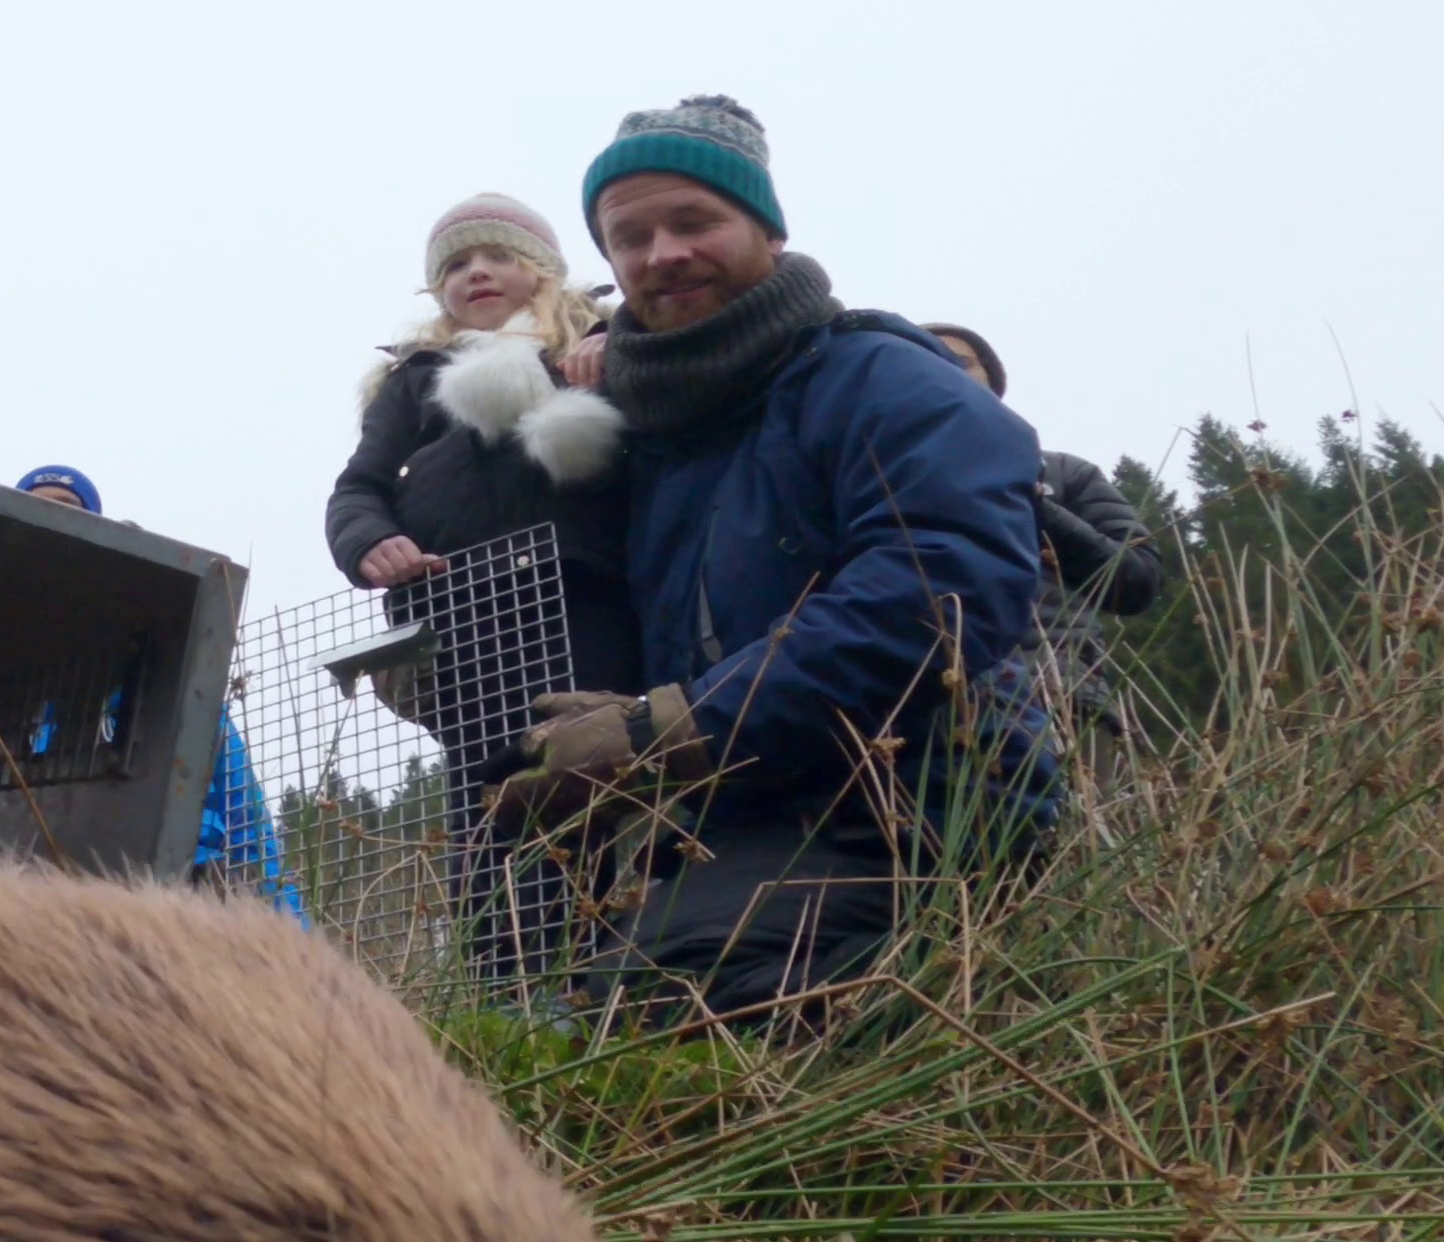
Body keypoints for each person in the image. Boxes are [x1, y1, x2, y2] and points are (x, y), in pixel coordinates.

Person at [485, 95, 1052, 1023]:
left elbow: (944, 581)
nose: (663, 252)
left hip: (919, 819)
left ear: (770, 233)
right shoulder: (661, 441)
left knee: (658, 1016)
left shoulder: (878, 376)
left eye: (696, 221)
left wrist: (671, 730)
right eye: (630, 237)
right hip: (747, 827)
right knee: (563, 1018)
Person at [321, 193, 639, 722]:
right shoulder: (410, 382)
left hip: (584, 603)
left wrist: (613, 347)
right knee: (487, 793)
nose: (477, 273)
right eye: (456, 265)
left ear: (542, 270)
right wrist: (369, 541)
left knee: (598, 770)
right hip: (454, 627)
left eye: (501, 256)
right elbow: (359, 487)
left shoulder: (602, 345)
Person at [0, 466, 308, 920]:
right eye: (35, 507)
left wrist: (290, 930)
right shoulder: (5, 699)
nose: (51, 519)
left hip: (180, 888)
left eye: (66, 508)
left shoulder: (172, 691)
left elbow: (246, 821)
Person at [920, 322, 1167, 733]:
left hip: (1062, 703)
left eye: (960, 361)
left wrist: (1031, 504)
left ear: (992, 383)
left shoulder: (1064, 473)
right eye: (925, 361)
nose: (944, 369)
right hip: (917, 722)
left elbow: (1138, 580)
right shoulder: (865, 482)